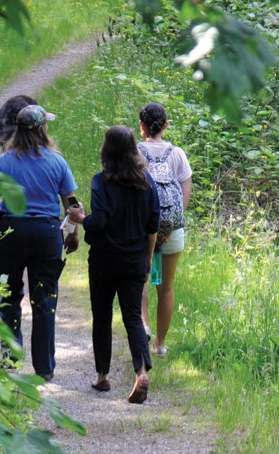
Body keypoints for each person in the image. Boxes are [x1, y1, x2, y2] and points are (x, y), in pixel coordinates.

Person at [0, 104, 80, 380]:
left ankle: (10, 362)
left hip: (11, 232)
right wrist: (72, 233)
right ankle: (44, 368)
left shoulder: (4, 161)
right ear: (41, 129)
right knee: (45, 298)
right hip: (46, 233)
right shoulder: (57, 162)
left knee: (9, 296)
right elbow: (72, 205)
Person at [68, 126, 159, 404]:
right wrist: (147, 260)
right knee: (132, 317)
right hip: (134, 259)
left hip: (104, 260)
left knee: (103, 316)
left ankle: (102, 376)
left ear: (106, 150)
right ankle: (141, 372)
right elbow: (153, 224)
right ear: (133, 149)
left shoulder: (101, 181)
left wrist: (80, 217)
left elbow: (100, 221)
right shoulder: (147, 182)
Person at [137, 102, 193, 356]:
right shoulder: (177, 154)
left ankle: (144, 329)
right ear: (165, 126)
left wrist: (148, 227)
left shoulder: (135, 152)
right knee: (166, 287)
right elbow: (185, 191)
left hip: (140, 230)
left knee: (141, 282)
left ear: (142, 126)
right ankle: (160, 344)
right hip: (172, 231)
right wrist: (169, 226)